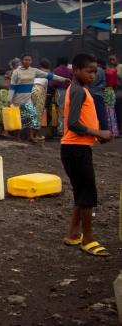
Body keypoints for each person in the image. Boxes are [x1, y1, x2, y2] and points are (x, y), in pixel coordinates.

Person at [60, 53, 111, 257]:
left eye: (94, 71)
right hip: (76, 149)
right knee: (88, 195)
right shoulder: (78, 91)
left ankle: (73, 234)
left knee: (81, 193)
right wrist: (99, 133)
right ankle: (88, 239)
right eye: (88, 71)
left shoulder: (80, 89)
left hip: (76, 148)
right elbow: (73, 123)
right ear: (76, 71)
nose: (92, 75)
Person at [9, 54, 67, 143]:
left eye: (29, 60)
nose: (27, 61)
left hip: (28, 98)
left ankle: (31, 136)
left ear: (31, 61)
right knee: (19, 118)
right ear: (22, 61)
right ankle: (17, 137)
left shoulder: (34, 71)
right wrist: (10, 100)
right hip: (17, 99)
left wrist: (63, 79)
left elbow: (49, 76)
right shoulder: (16, 72)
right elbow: (12, 87)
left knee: (32, 116)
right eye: (25, 60)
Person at [52, 57, 72, 135]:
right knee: (67, 111)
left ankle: (60, 130)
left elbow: (52, 83)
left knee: (60, 111)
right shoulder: (70, 71)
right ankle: (67, 129)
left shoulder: (56, 70)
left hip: (59, 92)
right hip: (68, 92)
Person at [103, 58, 119, 137]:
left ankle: (109, 131)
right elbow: (116, 84)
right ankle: (115, 131)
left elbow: (104, 83)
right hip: (112, 91)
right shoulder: (114, 72)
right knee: (112, 111)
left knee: (106, 112)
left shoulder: (105, 72)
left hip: (105, 92)